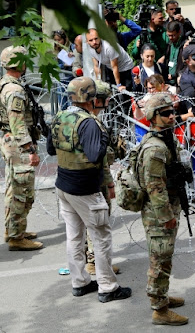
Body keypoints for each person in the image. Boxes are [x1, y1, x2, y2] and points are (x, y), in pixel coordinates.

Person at [48, 76, 132, 302]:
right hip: (85, 189)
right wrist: (105, 138)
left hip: (63, 185)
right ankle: (108, 287)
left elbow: (50, 148)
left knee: (74, 236)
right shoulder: (90, 123)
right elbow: (95, 155)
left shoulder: (60, 116)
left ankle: (80, 282)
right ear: (90, 98)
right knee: (101, 237)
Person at [137, 93, 190, 326]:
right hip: (160, 210)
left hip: (168, 204)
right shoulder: (155, 148)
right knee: (160, 257)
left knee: (164, 255)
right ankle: (160, 309)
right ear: (153, 116)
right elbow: (154, 186)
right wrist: (166, 215)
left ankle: (162, 296)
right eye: (166, 113)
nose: (172, 116)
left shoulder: (164, 138)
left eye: (172, 112)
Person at [0, 46, 43, 251]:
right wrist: (30, 150)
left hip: (10, 141)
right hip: (18, 145)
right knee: (21, 191)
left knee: (13, 188)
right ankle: (16, 237)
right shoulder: (14, 90)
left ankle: (13, 229)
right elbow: (18, 124)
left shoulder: (5, 83)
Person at [84, 80, 120, 276]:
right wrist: (110, 183)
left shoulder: (78, 118)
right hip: (96, 179)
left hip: (78, 178)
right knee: (98, 221)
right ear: (97, 101)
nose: (107, 104)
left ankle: (88, 259)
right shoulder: (94, 123)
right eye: (105, 100)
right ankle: (95, 263)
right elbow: (101, 157)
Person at [163, 21, 186, 86]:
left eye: (173, 35)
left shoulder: (184, 45)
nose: (170, 38)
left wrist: (175, 75)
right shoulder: (169, 44)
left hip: (179, 80)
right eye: (169, 35)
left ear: (179, 32)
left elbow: (185, 65)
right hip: (168, 81)